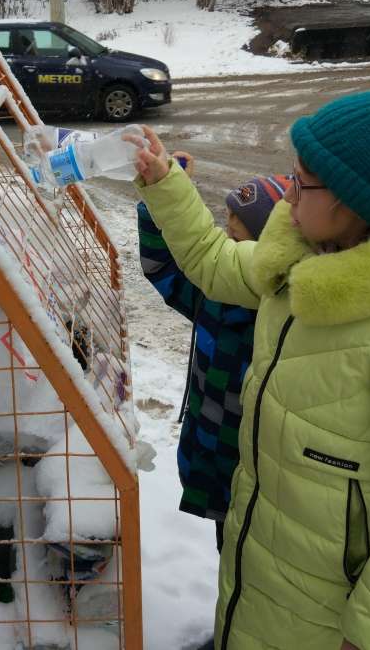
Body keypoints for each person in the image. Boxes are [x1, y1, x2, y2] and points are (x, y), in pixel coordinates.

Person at [132, 68, 370, 650]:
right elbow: (212, 262)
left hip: (332, 603)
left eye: (302, 183)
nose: (285, 194)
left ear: (355, 201)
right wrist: (163, 184)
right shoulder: (296, 264)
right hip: (260, 556)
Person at [138, 154, 289, 555]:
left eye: (237, 239)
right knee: (232, 558)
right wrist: (157, 202)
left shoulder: (286, 322)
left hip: (264, 483)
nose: (227, 235)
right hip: (212, 460)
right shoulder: (215, 295)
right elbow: (164, 269)